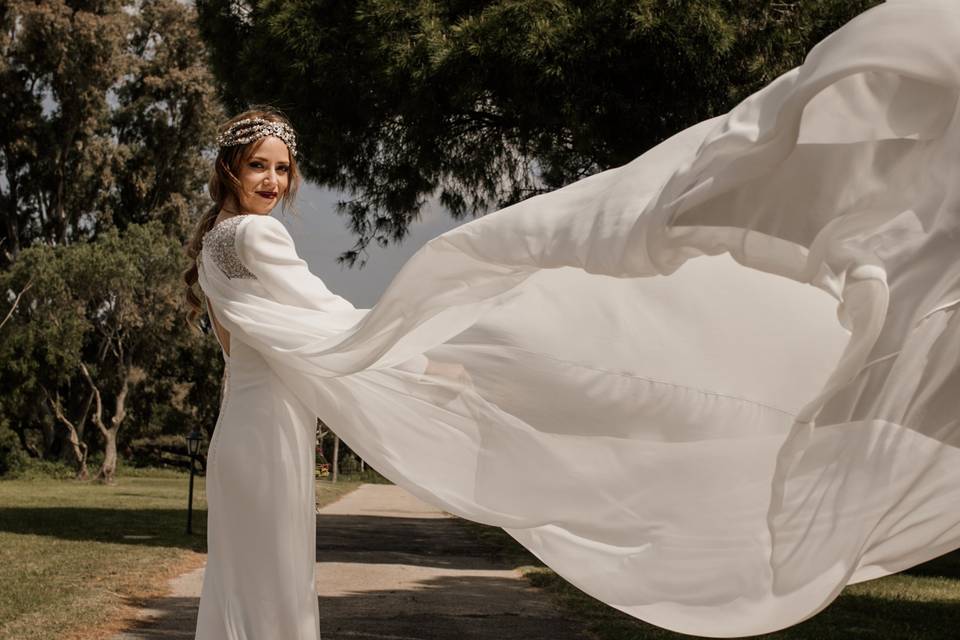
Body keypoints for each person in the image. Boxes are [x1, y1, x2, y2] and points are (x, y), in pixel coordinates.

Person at [185, 1, 960, 637]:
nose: (274, 181)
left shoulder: (214, 247)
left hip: (249, 428)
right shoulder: (255, 236)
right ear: (232, 170)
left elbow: (264, 336)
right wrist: (417, 345)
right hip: (269, 431)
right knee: (277, 572)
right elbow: (320, 317)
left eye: (283, 169)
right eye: (260, 167)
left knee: (247, 570)